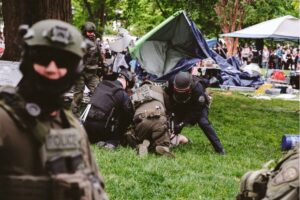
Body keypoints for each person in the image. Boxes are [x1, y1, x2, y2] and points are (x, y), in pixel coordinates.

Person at [0, 19, 107, 200]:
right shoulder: (3, 122)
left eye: (62, 62)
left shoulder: (73, 126)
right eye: (43, 59)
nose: (52, 69)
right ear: (28, 60)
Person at [166, 71, 226, 155]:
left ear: (189, 87)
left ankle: (220, 149)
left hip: (196, 106)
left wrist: (182, 123)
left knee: (203, 122)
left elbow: (196, 111)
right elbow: (166, 98)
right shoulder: (171, 81)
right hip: (178, 105)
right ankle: (175, 141)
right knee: (170, 122)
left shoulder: (198, 88)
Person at [83, 68, 135, 149]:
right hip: (102, 128)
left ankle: (94, 139)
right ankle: (110, 143)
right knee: (117, 136)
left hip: (86, 125)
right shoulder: (122, 93)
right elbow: (129, 115)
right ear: (127, 82)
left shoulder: (102, 84)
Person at [129, 81, 175, 157]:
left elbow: (130, 112)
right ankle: (163, 146)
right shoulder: (159, 89)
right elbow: (169, 108)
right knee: (161, 133)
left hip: (141, 120)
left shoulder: (136, 93)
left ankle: (142, 144)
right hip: (159, 118)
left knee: (137, 134)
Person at [71, 21, 103, 116]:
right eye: (89, 32)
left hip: (92, 73)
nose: (92, 34)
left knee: (98, 93)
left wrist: (103, 65)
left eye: (93, 32)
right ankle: (74, 116)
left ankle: (95, 113)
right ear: (85, 31)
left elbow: (100, 55)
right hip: (80, 73)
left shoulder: (96, 42)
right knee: (78, 96)